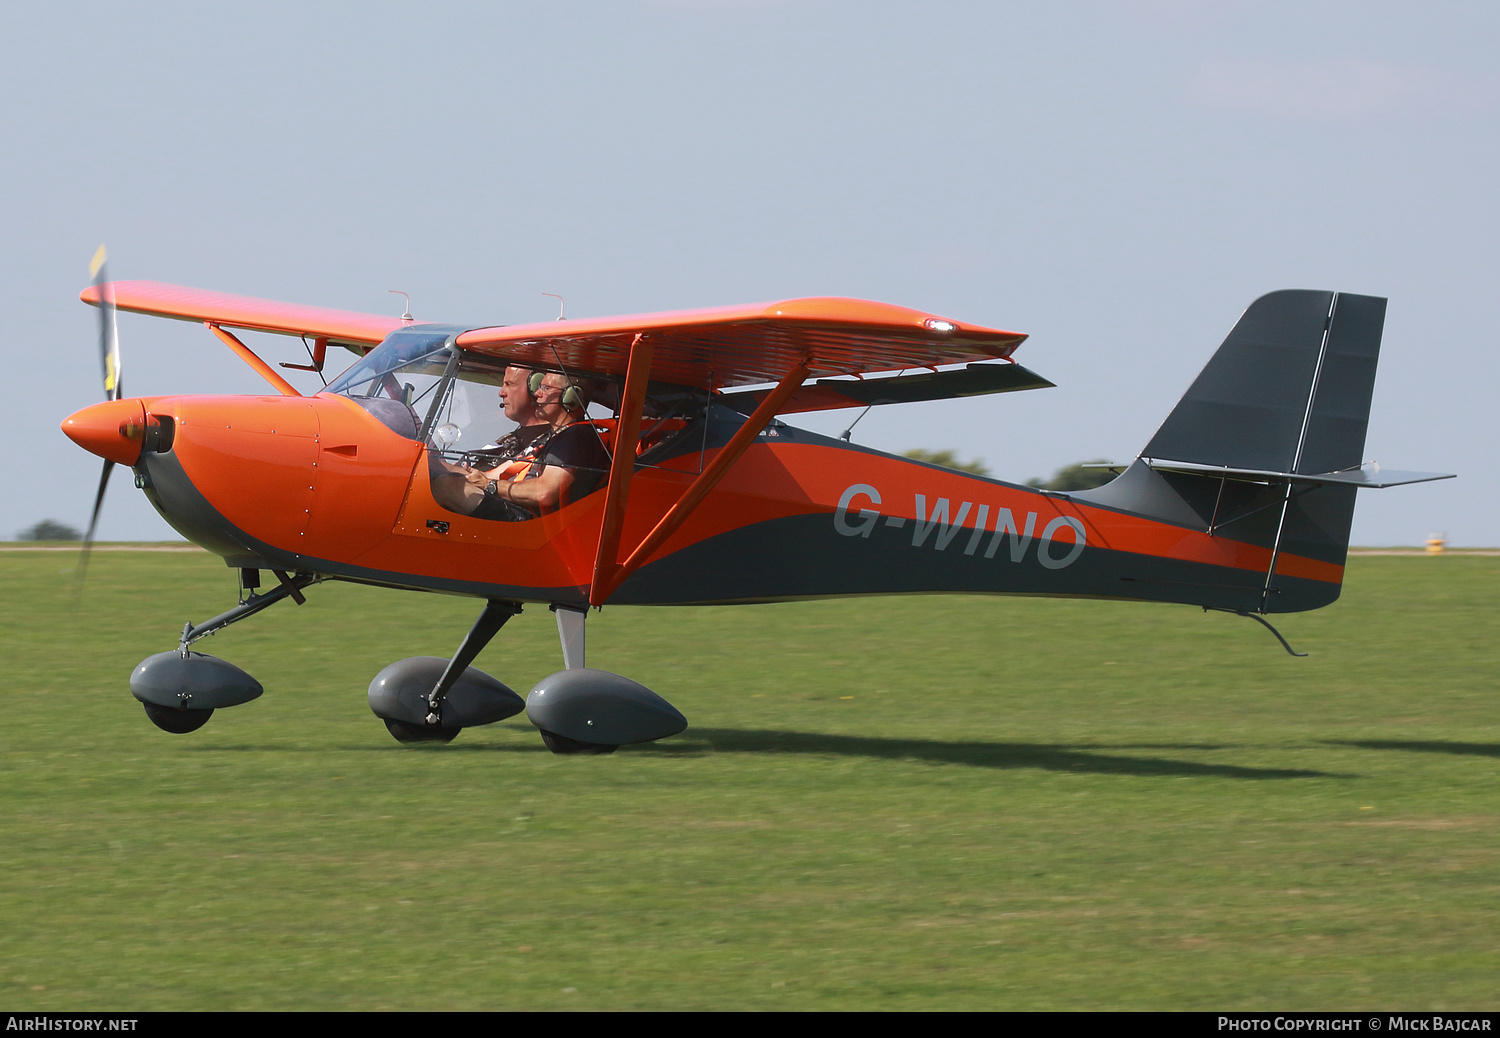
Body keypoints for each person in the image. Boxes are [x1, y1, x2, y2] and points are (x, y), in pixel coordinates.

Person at [486, 372, 612, 518]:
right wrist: (466, 476)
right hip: (515, 510)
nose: (537, 393)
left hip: (530, 523)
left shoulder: (576, 437)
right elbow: (497, 473)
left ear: (571, 397)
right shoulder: (550, 437)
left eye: (545, 388)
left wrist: (493, 487)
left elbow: (545, 492)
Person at [430, 365, 548, 517]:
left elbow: (491, 478)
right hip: (481, 501)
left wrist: (437, 466)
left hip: (514, 517)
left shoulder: (547, 441)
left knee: (445, 485)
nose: (501, 393)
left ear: (535, 389)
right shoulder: (510, 437)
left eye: (509, 384)